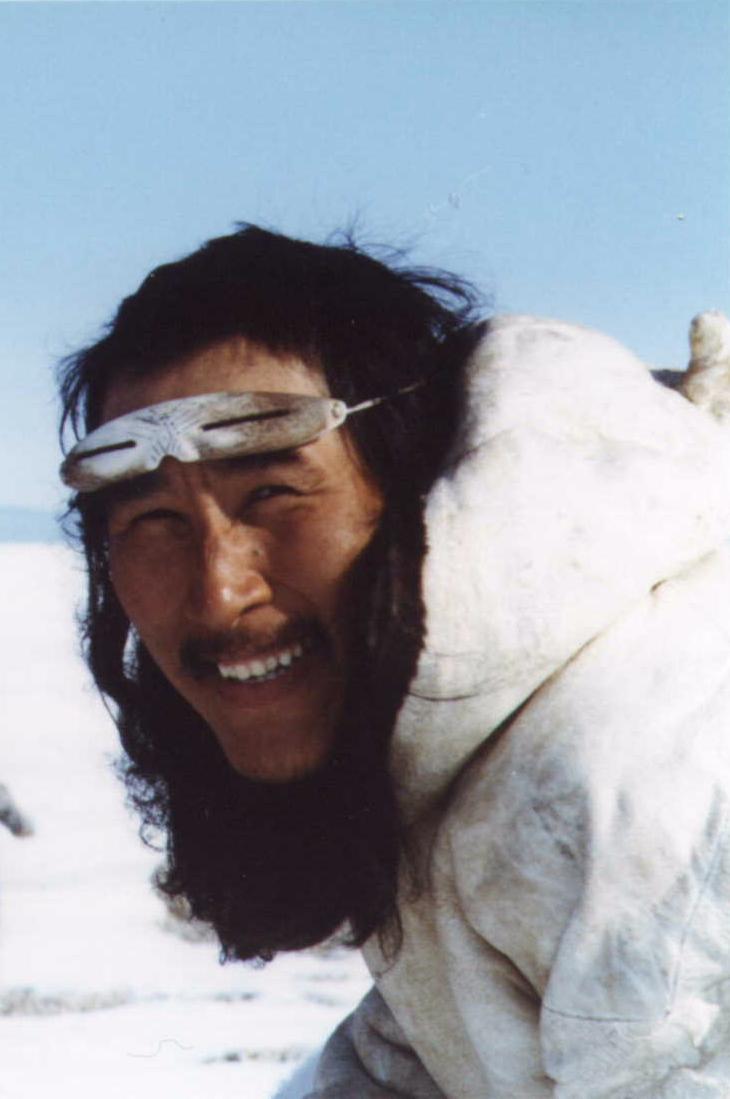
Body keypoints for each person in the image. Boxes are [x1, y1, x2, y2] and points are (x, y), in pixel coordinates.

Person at [57, 224, 730, 1097]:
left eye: (273, 493)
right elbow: (434, 1054)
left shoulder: (632, 795)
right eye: (154, 521)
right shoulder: (446, 738)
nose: (220, 593)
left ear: (412, 475)